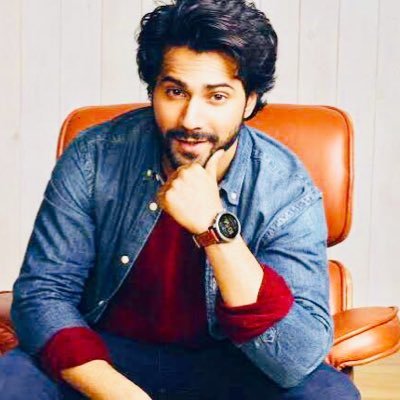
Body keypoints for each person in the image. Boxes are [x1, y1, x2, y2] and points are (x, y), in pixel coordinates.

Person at [0, 0, 360, 399]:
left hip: (234, 365)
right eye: (175, 92)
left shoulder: (287, 188)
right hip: (109, 357)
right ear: (152, 90)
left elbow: (297, 356)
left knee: (328, 393)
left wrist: (215, 229)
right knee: (12, 382)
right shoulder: (95, 156)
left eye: (217, 96)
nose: (191, 119)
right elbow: (44, 293)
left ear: (250, 101)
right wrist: (121, 395)